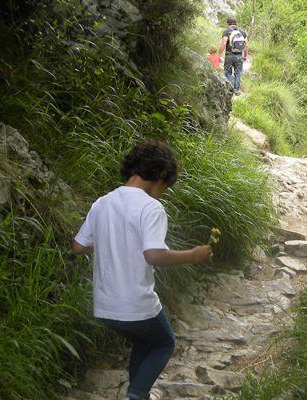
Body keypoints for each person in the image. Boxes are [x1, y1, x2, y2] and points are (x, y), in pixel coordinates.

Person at [72, 140, 214, 400]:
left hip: (105, 306)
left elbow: (79, 246)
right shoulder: (151, 207)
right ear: (161, 175)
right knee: (163, 343)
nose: (163, 192)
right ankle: (136, 395)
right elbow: (154, 255)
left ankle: (137, 394)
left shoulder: (102, 203)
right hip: (135, 304)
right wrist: (192, 255)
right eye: (166, 185)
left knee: (142, 342)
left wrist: (113, 242)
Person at [218, 17, 248, 96]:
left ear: (228, 24)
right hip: (239, 56)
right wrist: (245, 56)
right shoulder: (242, 32)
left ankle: (229, 89)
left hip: (229, 55)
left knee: (228, 72)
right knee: (238, 73)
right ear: (236, 23)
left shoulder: (227, 31)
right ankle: (237, 90)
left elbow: (223, 43)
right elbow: (246, 46)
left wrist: (218, 55)